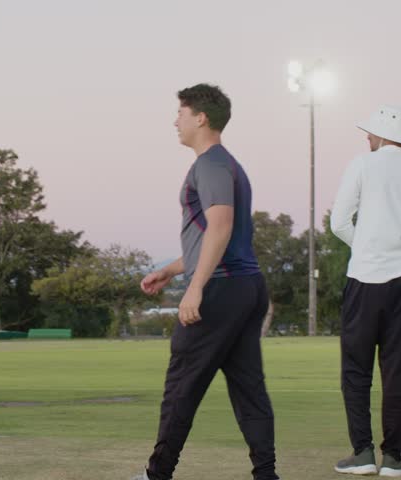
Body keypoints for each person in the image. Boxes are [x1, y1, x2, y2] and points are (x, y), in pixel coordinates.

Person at [132, 84, 279, 480]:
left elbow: (221, 226)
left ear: (201, 117)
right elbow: (213, 240)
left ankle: (157, 474)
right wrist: (171, 270)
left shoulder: (211, 165)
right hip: (246, 287)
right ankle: (266, 475)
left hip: (220, 290)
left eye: (180, 112)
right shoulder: (225, 163)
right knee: (249, 388)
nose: (175, 120)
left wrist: (195, 287)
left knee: (182, 384)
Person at [330, 105, 401, 477]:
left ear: (380, 135)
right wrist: (397, 250)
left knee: (356, 370)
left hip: (365, 277)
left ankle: (361, 453)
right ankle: (393, 456)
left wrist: (368, 246)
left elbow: (339, 221)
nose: (366, 137)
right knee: (396, 368)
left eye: (370, 132)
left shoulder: (362, 164)